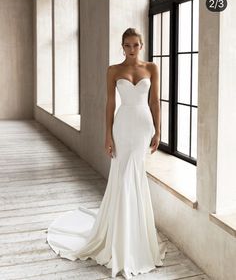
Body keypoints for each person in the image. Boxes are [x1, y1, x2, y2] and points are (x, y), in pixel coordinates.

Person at [46, 27, 167, 279]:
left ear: (141, 46)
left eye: (135, 45)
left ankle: (132, 237)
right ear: (121, 47)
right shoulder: (113, 70)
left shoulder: (152, 68)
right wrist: (107, 134)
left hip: (143, 127)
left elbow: (155, 102)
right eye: (127, 45)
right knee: (123, 177)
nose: (131, 50)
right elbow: (110, 103)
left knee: (134, 176)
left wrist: (158, 132)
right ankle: (120, 238)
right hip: (123, 127)